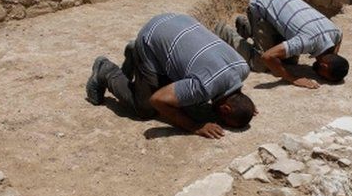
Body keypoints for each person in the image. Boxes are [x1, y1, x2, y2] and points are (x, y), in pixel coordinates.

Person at [86, 13, 256, 139]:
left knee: (187, 100)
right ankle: (106, 71)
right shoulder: (204, 86)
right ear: (225, 109)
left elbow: (238, 99)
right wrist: (195, 127)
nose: (220, 121)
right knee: (144, 108)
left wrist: (244, 109)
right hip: (151, 37)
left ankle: (136, 55)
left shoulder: (242, 69)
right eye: (224, 119)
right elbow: (157, 100)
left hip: (177, 21)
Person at [215, 0, 349, 89]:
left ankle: (248, 27)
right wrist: (292, 79)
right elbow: (267, 57)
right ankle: (224, 31)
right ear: (324, 65)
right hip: (261, 5)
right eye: (322, 75)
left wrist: (334, 55)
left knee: (288, 62)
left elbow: (340, 36)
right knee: (260, 65)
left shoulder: (335, 33)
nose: (319, 76)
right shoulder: (307, 41)